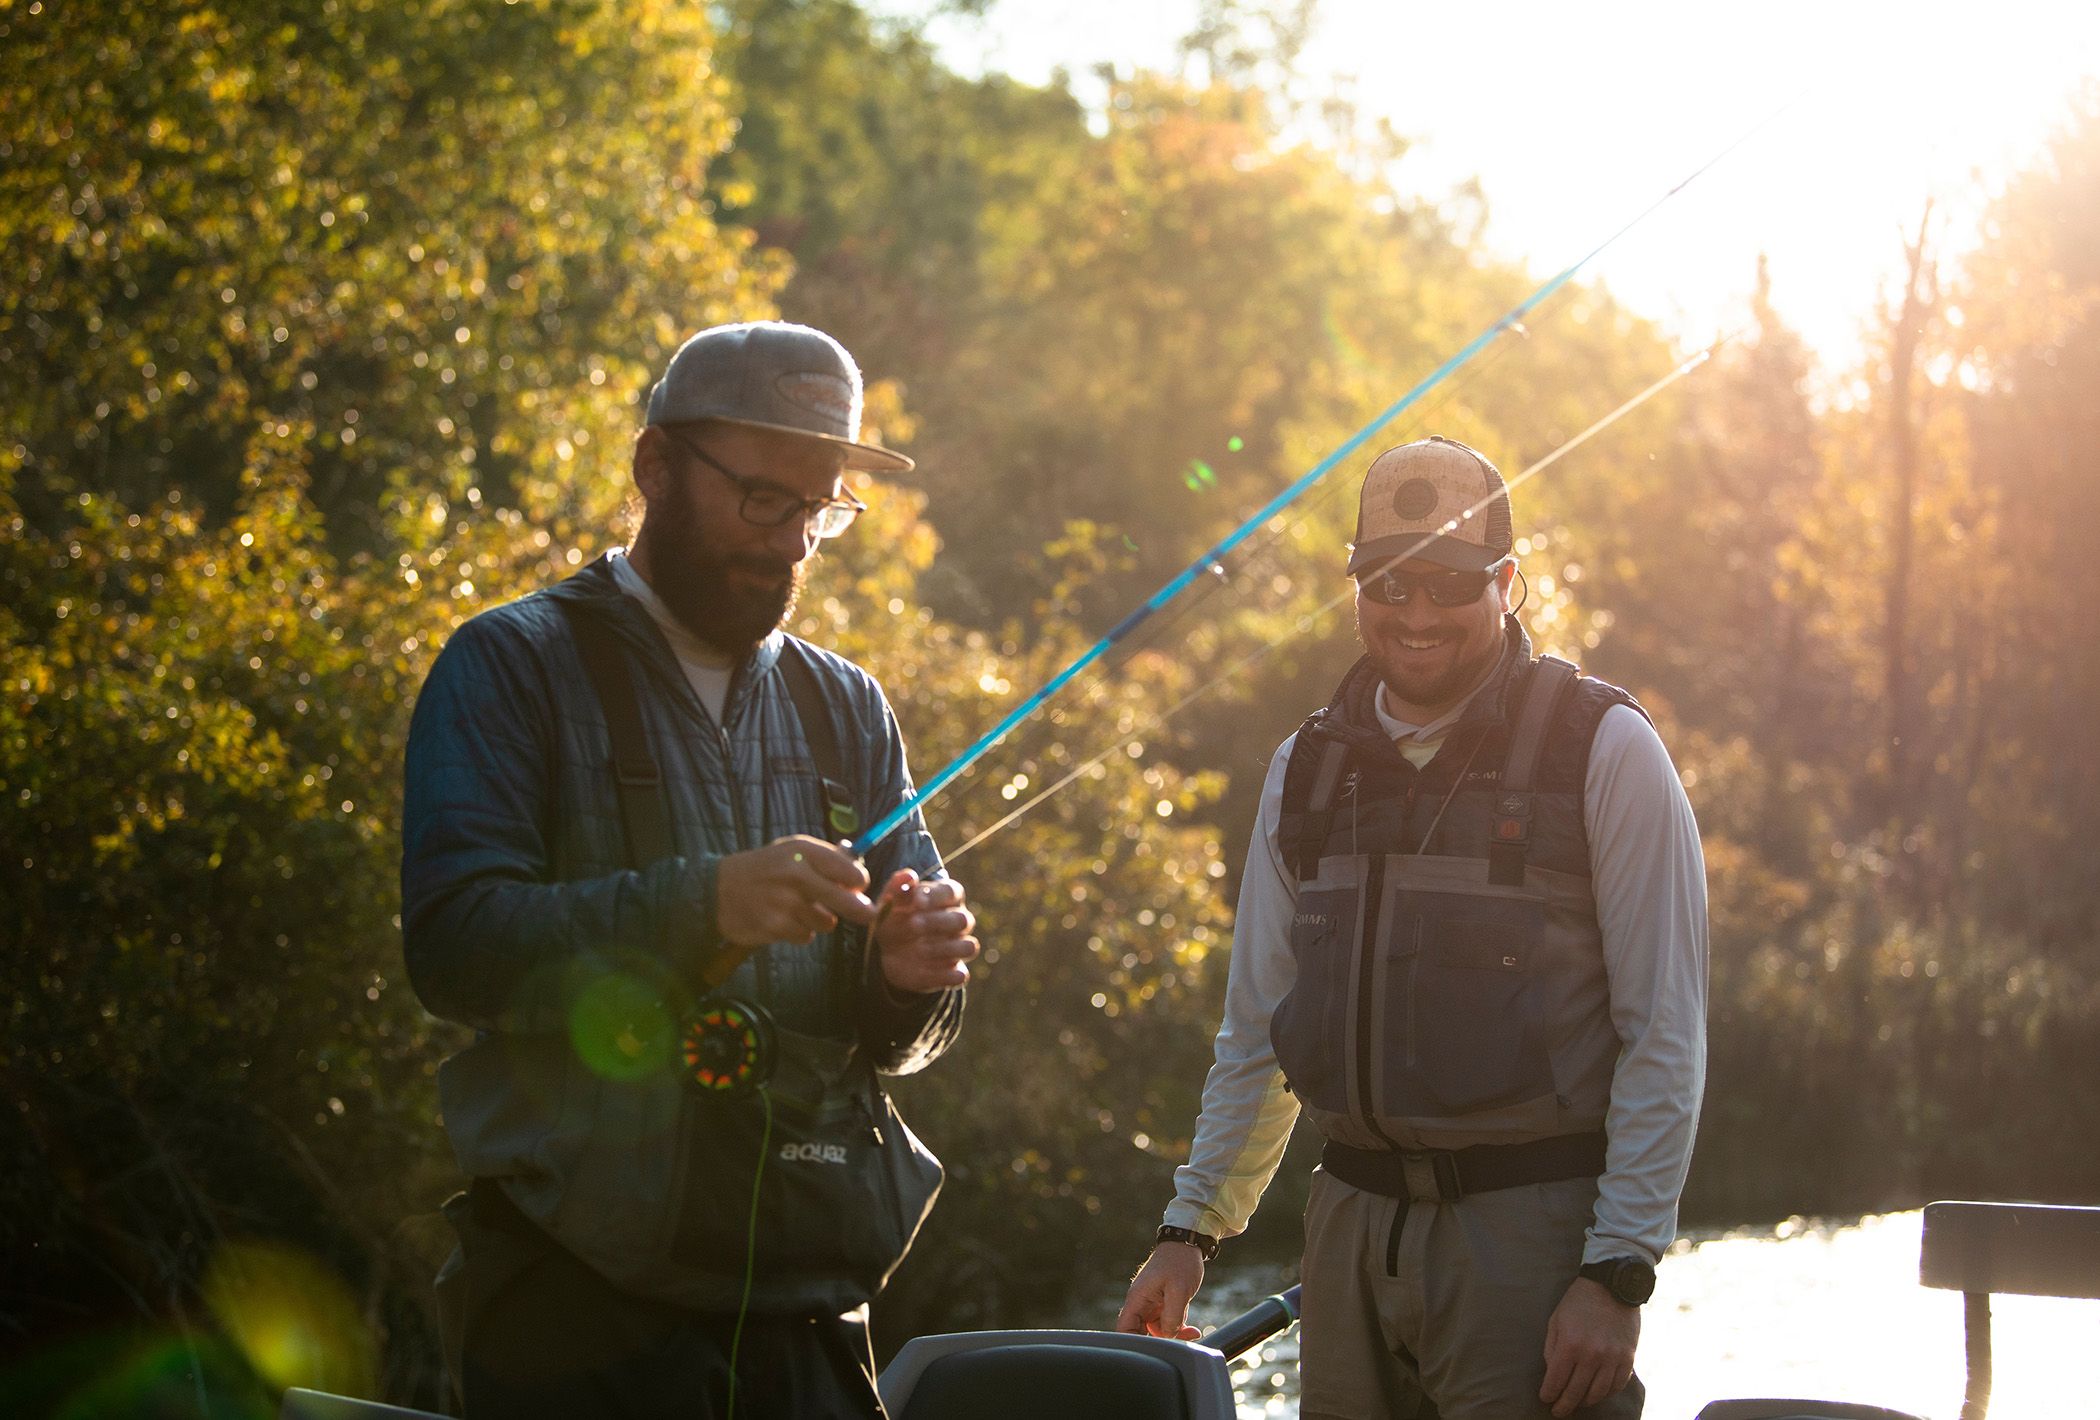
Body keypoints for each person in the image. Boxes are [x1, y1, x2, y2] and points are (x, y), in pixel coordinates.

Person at [401, 321, 979, 1419]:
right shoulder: (508, 663)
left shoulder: (848, 705)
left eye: (818, 509)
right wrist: (704, 905)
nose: (792, 543)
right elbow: (454, 949)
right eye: (762, 498)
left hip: (806, 1305)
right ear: (655, 465)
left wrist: (910, 979)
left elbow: (910, 1034)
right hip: (574, 1307)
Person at [1118, 436, 1707, 1419]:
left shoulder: (1605, 748)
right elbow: (1258, 1029)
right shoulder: (1305, 767)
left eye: (1451, 583)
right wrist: (1190, 1232)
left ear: (1506, 583)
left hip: (1531, 1238)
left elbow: (1666, 1034)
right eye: (1389, 583)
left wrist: (1617, 1273)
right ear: (1356, 586)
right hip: (1347, 1229)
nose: (1418, 613)